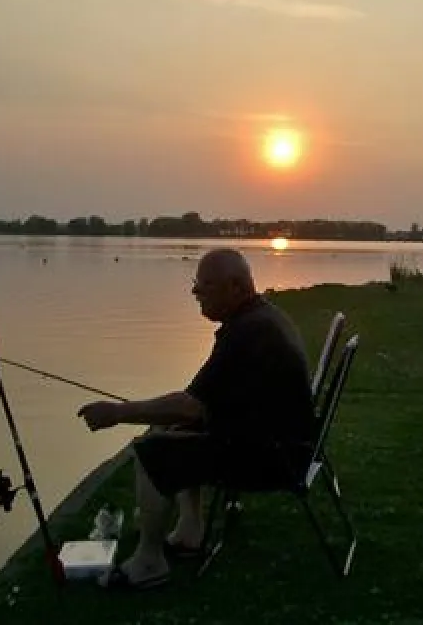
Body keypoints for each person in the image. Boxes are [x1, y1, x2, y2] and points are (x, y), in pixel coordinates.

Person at [77, 247, 316, 591]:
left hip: (273, 458)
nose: (195, 293)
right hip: (277, 441)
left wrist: (118, 413)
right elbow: (202, 403)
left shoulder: (247, 332)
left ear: (235, 287)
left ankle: (149, 562)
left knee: (151, 451)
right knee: (171, 428)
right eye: (196, 284)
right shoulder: (258, 318)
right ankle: (189, 532)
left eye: (204, 286)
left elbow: (189, 405)